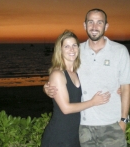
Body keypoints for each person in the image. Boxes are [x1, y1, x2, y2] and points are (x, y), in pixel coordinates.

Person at [44, 9, 130, 147]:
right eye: (91, 22)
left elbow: (126, 87)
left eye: (99, 22)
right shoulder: (78, 51)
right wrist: (48, 88)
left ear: (106, 26)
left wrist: (123, 120)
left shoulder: (120, 51)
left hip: (112, 125)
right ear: (84, 26)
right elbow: (61, 75)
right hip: (84, 128)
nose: (94, 27)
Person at [41, 30, 111, 147]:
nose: (72, 49)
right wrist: (93, 102)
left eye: (74, 45)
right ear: (60, 50)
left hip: (75, 135)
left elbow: (99, 82)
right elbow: (66, 108)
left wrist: (117, 89)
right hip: (59, 135)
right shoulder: (58, 74)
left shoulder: (79, 72)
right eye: (67, 46)